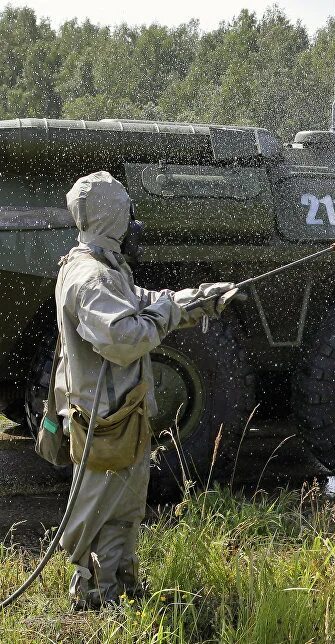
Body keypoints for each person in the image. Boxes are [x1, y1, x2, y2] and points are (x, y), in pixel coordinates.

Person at [54, 171, 243, 610]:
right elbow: (125, 339)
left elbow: (142, 300)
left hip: (122, 414)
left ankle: (119, 585)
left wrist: (196, 300)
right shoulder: (91, 278)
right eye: (127, 211)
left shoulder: (103, 268)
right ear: (110, 216)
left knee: (124, 509)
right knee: (100, 511)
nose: (133, 221)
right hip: (105, 418)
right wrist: (164, 312)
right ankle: (95, 596)